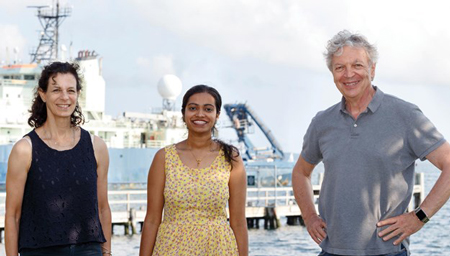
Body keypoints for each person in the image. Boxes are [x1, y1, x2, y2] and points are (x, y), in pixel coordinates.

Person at [292, 30, 450, 256]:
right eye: (340, 67)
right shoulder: (322, 122)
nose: (348, 74)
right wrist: (309, 217)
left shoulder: (405, 115)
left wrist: (420, 217)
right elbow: (300, 172)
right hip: (331, 250)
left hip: (388, 252)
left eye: (357, 65)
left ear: (372, 69)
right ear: (333, 74)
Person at [4, 62, 112, 256]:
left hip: (88, 250)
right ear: (43, 94)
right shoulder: (24, 150)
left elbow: (103, 208)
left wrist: (107, 253)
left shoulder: (97, 147)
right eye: (56, 90)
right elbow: (12, 216)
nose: (64, 97)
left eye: (70, 90)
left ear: (78, 94)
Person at [139, 85, 248, 256]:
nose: (200, 114)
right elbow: (152, 219)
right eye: (193, 108)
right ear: (183, 114)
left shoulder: (231, 158)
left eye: (208, 109)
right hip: (171, 248)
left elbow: (239, 222)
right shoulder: (163, 158)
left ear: (217, 115)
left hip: (218, 248)